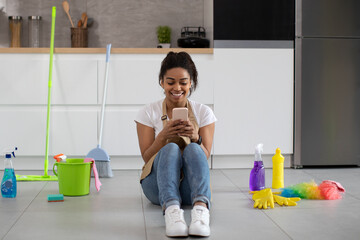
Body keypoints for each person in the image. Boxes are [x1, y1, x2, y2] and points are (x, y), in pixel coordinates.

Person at [134, 51, 217, 237]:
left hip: (190, 187)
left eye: (183, 82)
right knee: (170, 147)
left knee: (195, 148)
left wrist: (196, 138)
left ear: (191, 83)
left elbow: (204, 157)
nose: (177, 87)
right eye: (170, 82)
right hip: (156, 187)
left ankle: (201, 212)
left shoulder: (204, 113)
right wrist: (163, 137)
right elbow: (147, 158)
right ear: (161, 82)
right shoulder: (148, 113)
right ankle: (172, 212)